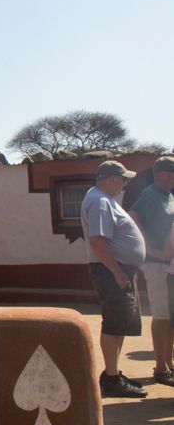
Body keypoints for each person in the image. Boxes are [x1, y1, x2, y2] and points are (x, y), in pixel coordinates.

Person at [82, 160, 147, 398]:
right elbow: (97, 241)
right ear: (111, 179)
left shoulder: (103, 199)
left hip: (116, 269)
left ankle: (113, 374)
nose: (124, 184)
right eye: (123, 179)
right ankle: (111, 378)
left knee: (119, 323)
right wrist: (117, 273)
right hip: (112, 270)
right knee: (113, 323)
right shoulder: (100, 202)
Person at [129, 156, 174, 386]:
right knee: (161, 315)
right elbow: (133, 220)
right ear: (163, 173)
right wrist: (152, 250)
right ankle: (160, 367)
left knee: (170, 316)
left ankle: (169, 362)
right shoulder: (150, 195)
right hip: (156, 264)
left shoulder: (169, 195)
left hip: (169, 265)